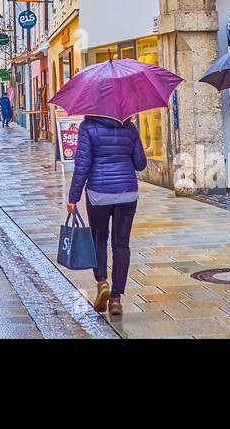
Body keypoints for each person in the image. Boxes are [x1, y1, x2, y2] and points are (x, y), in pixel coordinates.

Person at [65, 115, 147, 317]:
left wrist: (73, 197)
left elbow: (82, 165)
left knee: (99, 239)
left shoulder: (87, 127)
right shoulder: (129, 126)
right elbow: (140, 163)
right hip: (127, 194)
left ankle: (102, 282)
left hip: (98, 195)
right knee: (122, 244)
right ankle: (116, 298)